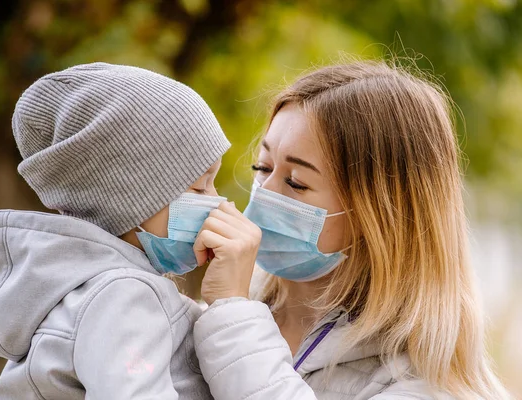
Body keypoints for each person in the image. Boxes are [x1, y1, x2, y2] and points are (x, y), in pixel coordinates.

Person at [193, 61, 512, 399]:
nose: (265, 192)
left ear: (380, 216)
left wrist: (231, 313)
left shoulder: (424, 386)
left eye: (296, 183)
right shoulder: (222, 309)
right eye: (263, 167)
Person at [0, 62, 237, 399]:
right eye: (201, 188)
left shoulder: (79, 287)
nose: (217, 203)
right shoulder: (124, 294)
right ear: (130, 198)